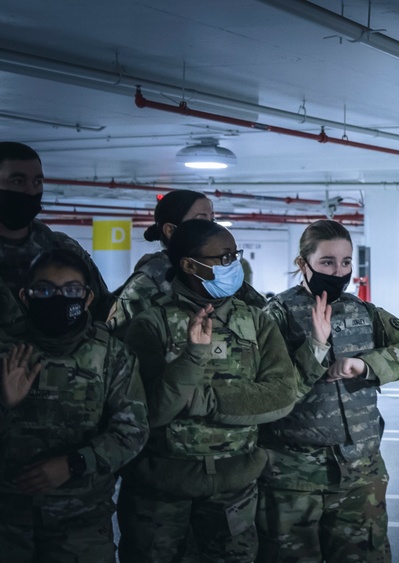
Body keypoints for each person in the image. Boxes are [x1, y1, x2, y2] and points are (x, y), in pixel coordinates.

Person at [117, 219, 299, 562]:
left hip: (233, 488)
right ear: (189, 265)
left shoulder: (256, 321)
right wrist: (194, 356)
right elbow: (150, 412)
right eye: (224, 257)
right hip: (159, 492)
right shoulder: (150, 324)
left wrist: (204, 399)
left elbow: (281, 395)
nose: (234, 265)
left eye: (235, 255)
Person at [256, 220, 399, 562]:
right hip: (292, 478)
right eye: (327, 262)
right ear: (302, 264)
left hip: (360, 474)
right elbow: (271, 393)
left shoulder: (362, 311)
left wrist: (366, 365)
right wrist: (316, 345)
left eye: (346, 262)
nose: (339, 272)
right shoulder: (274, 317)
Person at [0, 249, 148, 561]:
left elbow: (132, 431)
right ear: (26, 297)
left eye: (71, 290)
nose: (58, 298)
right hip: (8, 519)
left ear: (88, 298)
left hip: (81, 522)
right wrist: (5, 402)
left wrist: (74, 463)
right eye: (44, 290)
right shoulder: (7, 351)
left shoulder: (112, 355)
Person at [109, 189, 265, 336]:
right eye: (201, 219)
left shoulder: (222, 272)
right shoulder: (148, 280)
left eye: (212, 219)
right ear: (170, 230)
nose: (211, 226)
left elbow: (263, 316)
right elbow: (122, 341)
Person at [0, 142, 113, 321]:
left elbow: (101, 310)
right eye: (18, 181)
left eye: (37, 182)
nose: (31, 190)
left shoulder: (64, 248)